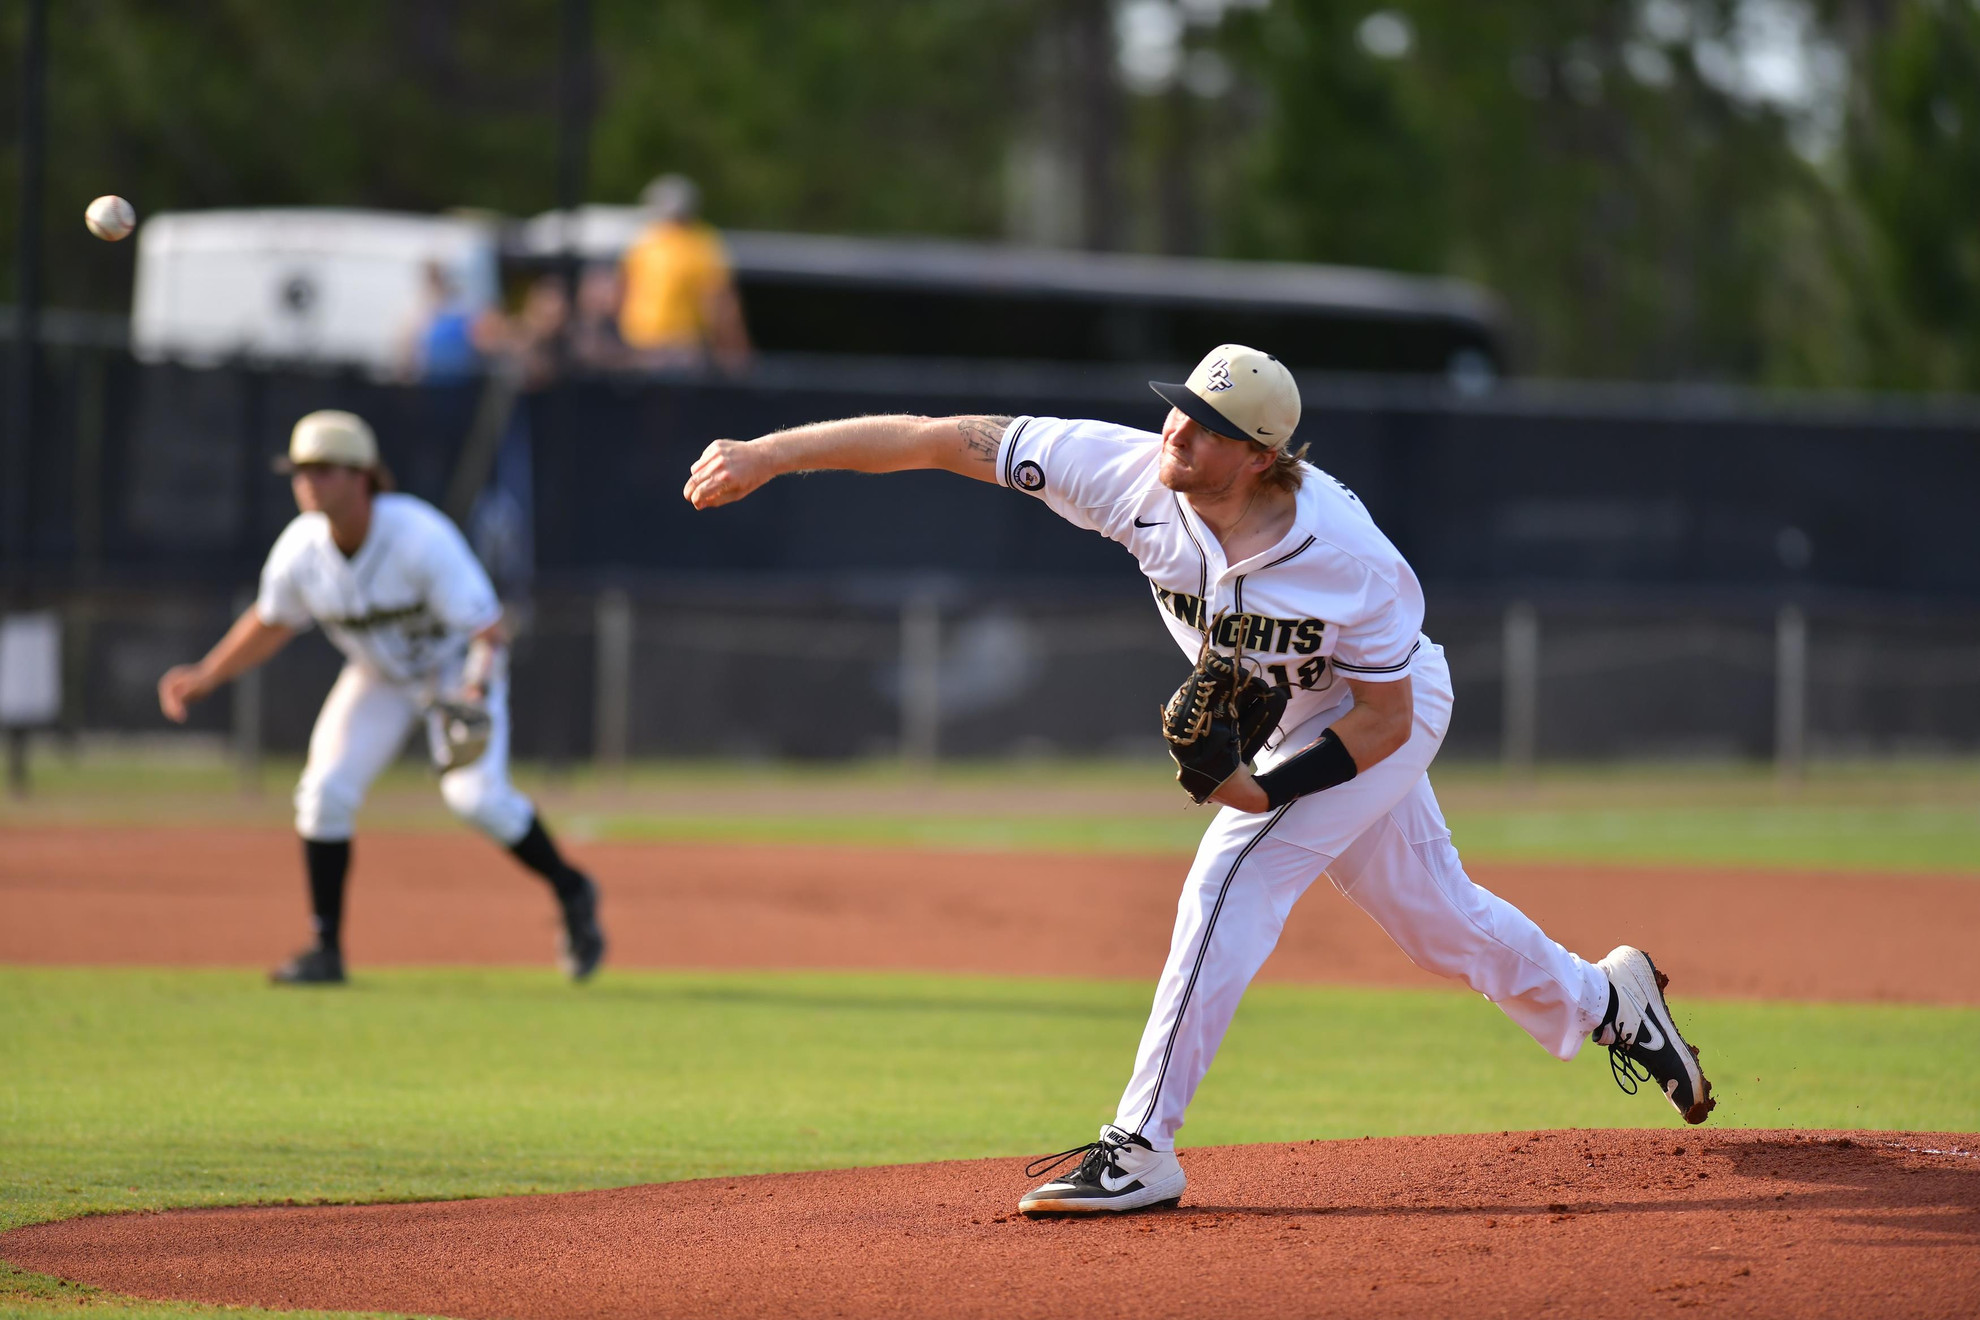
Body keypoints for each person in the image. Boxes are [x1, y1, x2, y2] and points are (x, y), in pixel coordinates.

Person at [682, 344, 1713, 1216]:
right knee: (1435, 918)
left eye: (1201, 425)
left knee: (1232, 877)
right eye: (1176, 410)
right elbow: (947, 438)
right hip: (1292, 723)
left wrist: (1264, 793)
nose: (1173, 433)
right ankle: (1608, 998)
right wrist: (770, 454)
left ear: (1260, 456)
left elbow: (1386, 718)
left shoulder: (1349, 557)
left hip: (1368, 718)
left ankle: (1139, 1145)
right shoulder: (1126, 473)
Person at [158, 410, 606, 985]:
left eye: (323, 470)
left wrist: (474, 690)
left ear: (362, 476)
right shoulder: (301, 549)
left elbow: (489, 631)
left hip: (453, 673)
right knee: (323, 792)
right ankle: (326, 949)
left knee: (474, 799)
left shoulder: (419, 537)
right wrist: (207, 673)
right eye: (300, 471)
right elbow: (271, 622)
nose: (307, 483)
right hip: (378, 676)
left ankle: (573, 890)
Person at [617, 174, 752, 372]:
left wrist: (733, 348)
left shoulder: (697, 245)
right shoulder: (647, 241)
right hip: (645, 345)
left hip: (676, 346)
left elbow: (719, 303)